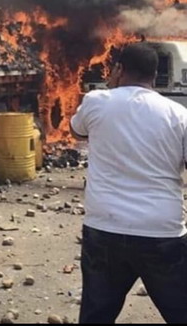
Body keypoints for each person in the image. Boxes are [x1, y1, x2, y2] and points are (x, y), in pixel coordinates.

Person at [70, 42, 187, 324]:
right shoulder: (179, 114)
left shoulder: (96, 101)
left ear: (119, 69)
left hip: (105, 228)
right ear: (155, 74)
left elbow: (77, 131)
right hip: (162, 230)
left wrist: (111, 89)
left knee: (96, 316)